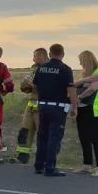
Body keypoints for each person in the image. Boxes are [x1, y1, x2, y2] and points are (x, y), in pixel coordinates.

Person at [31, 43, 79, 177]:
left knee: (42, 135)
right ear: (63, 54)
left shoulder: (41, 69)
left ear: (50, 54)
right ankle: (50, 166)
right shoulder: (65, 69)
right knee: (54, 137)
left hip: (43, 105)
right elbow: (71, 89)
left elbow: (34, 86)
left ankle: (39, 165)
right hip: (58, 107)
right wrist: (74, 107)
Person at [74, 50, 98, 177]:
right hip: (82, 108)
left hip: (95, 109)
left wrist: (80, 97)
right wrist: (85, 79)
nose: (80, 63)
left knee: (95, 137)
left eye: (81, 61)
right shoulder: (85, 74)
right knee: (83, 137)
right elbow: (73, 84)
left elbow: (93, 88)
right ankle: (87, 165)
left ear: (87, 60)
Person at [15, 48, 49, 164]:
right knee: (25, 131)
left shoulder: (48, 69)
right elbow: (26, 89)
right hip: (30, 105)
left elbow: (45, 88)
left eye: (35, 56)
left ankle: (42, 159)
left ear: (41, 56)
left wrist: (32, 85)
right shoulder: (34, 68)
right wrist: (25, 84)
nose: (33, 59)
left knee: (42, 133)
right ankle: (22, 156)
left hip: (41, 106)